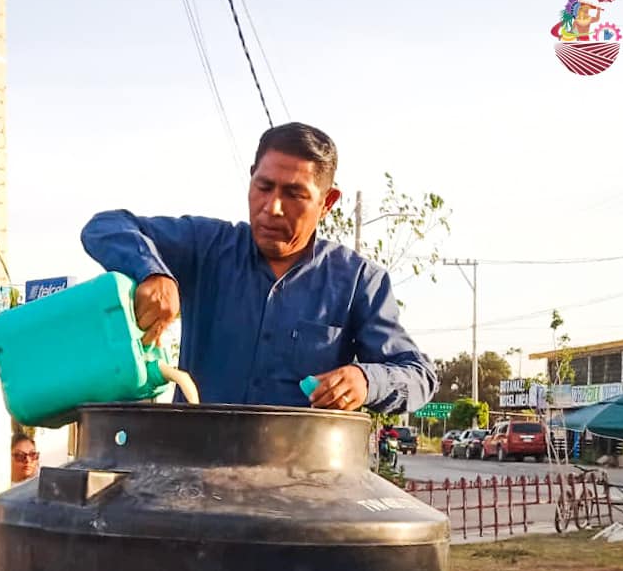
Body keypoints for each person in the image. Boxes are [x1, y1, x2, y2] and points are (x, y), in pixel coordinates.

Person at [80, 122, 436, 414]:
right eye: (263, 187)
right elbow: (106, 226)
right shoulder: (206, 246)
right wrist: (152, 272)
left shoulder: (360, 281)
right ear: (251, 177)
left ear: (327, 202)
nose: (272, 207)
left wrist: (366, 380)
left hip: (301, 487)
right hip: (196, 473)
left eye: (294, 194)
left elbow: (418, 375)